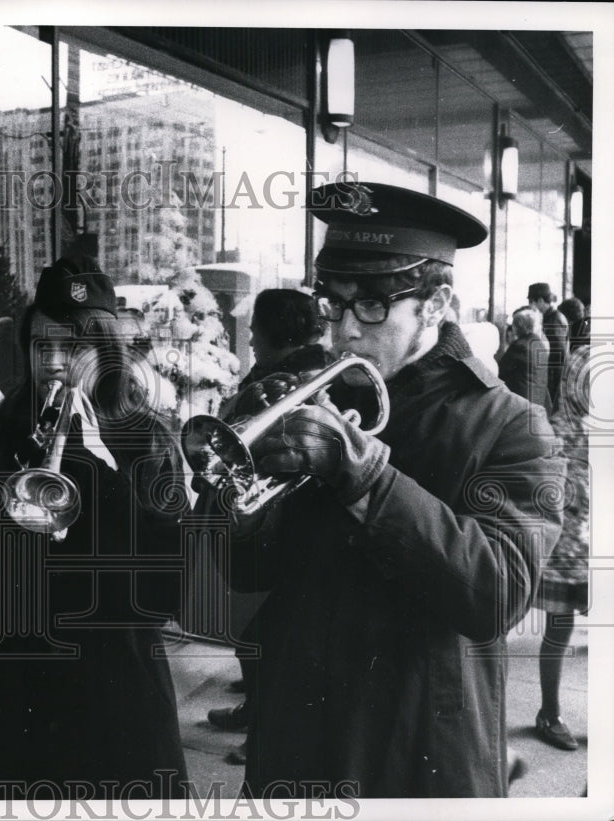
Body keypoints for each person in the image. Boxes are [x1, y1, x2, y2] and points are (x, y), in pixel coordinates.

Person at [204, 182, 564, 797]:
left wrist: (369, 479)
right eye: (332, 303)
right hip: (299, 738)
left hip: (417, 746)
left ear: (435, 303)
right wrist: (237, 491)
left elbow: (496, 596)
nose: (344, 330)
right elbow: (245, 572)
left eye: (371, 305)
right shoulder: (316, 393)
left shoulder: (510, 424)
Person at [0, 256, 189, 798]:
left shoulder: (147, 440)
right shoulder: (3, 437)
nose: (54, 363)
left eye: (73, 347)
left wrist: (104, 481)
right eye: (41, 345)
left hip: (117, 697)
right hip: (16, 696)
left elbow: (164, 593)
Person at [207, 288, 334, 762]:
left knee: (262, 634)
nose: (252, 338)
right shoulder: (273, 372)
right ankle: (255, 710)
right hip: (262, 520)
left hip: (283, 527)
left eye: (257, 328)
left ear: (276, 330)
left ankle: (260, 727)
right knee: (256, 633)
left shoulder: (305, 376)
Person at [533, 344, 590, 751]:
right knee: (560, 626)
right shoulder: (558, 428)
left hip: (595, 544)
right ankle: (549, 713)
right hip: (567, 549)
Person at [498, 306, 551, 410]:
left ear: (518, 326)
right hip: (537, 402)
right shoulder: (540, 345)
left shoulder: (519, 346)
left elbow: (500, 370)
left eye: (513, 324)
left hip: (521, 405)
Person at [528, 283, 569, 409]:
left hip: (555, 377)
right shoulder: (550, 317)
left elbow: (557, 355)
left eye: (531, 301)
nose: (530, 305)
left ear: (540, 300)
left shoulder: (554, 320)